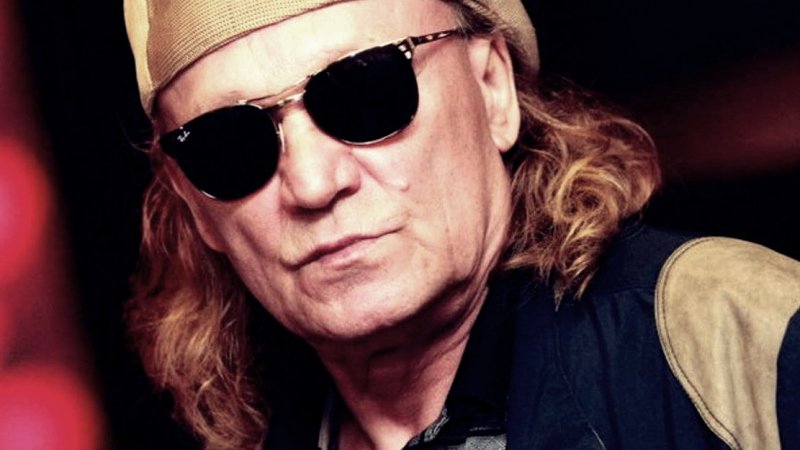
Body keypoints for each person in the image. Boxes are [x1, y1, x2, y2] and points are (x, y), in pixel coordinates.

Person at [122, 0, 800, 449]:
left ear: (492, 88)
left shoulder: (734, 339)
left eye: (364, 91)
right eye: (229, 144)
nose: (314, 184)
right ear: (193, 204)